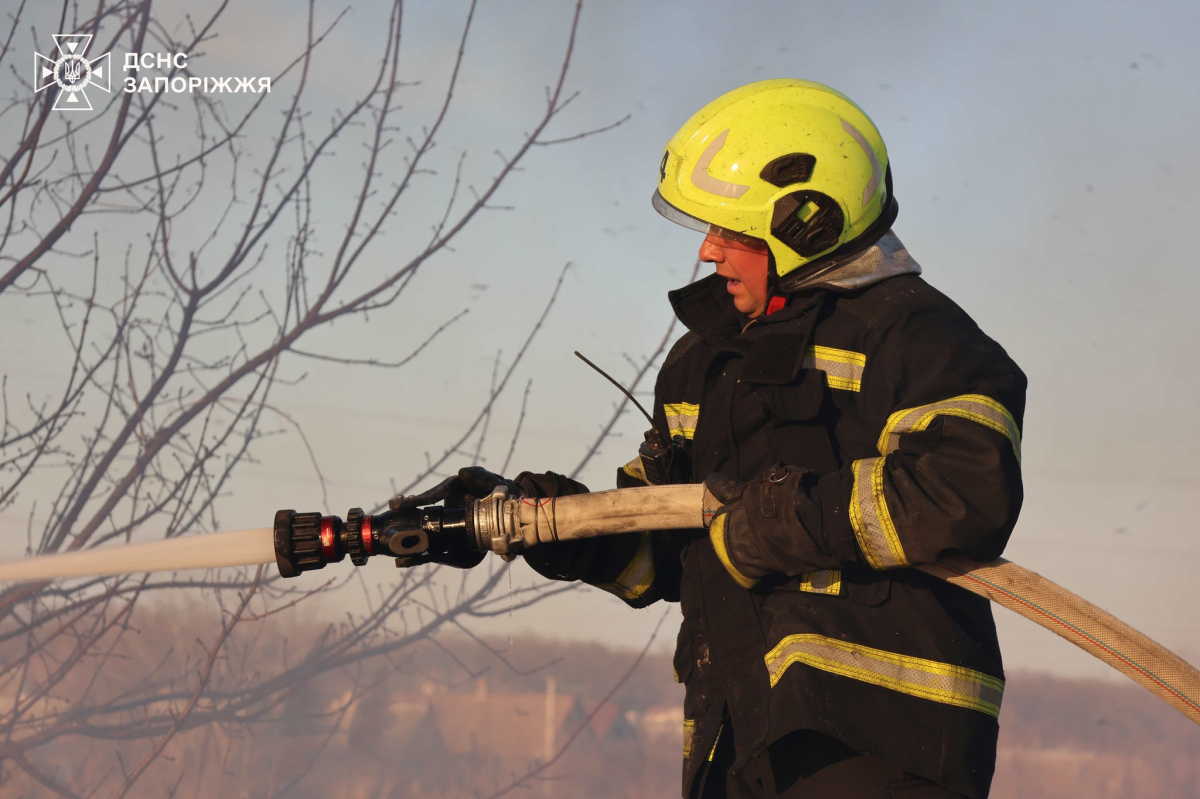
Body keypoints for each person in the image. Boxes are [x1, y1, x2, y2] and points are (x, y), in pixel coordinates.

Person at [421, 80, 1026, 798]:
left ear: (808, 221)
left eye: (729, 231)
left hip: (881, 735)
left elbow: (962, 489)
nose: (707, 251)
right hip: (735, 731)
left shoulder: (915, 336)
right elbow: (670, 550)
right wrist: (565, 530)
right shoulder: (702, 364)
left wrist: (781, 520)